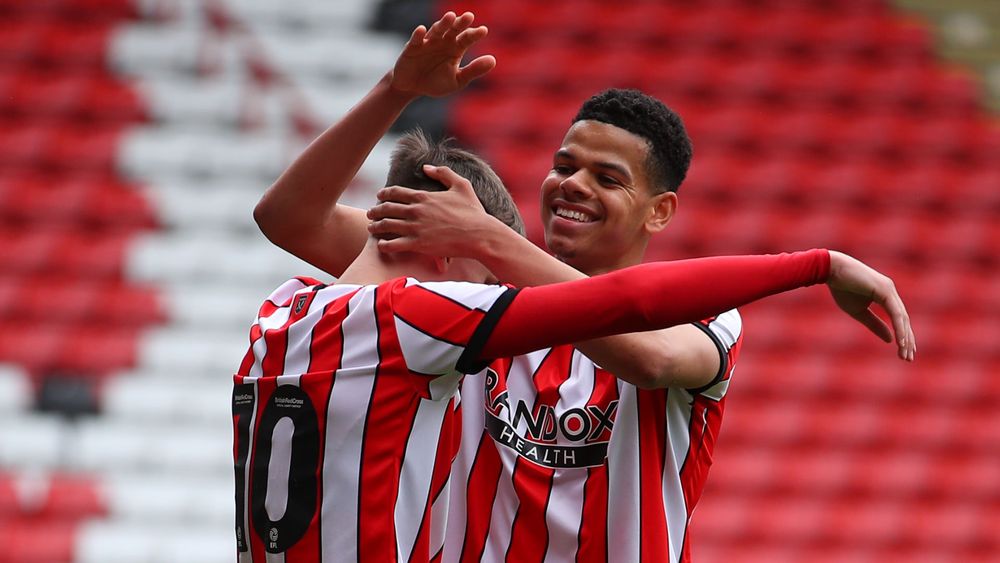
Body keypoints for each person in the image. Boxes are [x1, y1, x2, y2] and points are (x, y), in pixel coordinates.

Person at [251, 11, 915, 562]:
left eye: (607, 177)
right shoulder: (471, 289)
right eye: (564, 164)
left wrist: (486, 239)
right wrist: (395, 91)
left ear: (660, 212)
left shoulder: (708, 320)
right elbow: (290, 219)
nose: (573, 184)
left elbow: (648, 357)